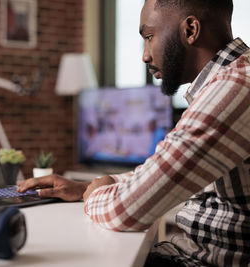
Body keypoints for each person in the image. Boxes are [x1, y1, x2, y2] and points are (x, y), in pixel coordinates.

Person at [17, 0, 250, 266]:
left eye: (149, 37)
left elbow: (125, 212)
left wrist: (94, 196)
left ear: (190, 30)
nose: (145, 55)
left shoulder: (235, 87)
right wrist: (86, 187)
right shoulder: (229, 81)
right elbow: (161, 170)